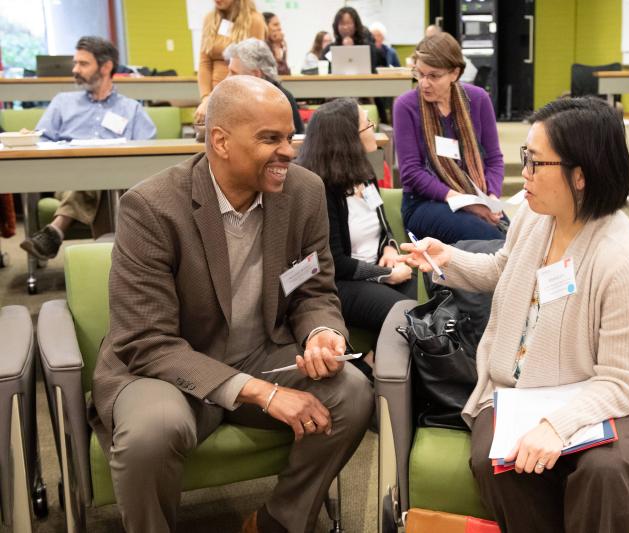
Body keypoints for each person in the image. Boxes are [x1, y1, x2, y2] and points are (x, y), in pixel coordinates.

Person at [88, 76, 372, 533]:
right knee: (151, 433)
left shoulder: (304, 192)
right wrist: (262, 393)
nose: (289, 151)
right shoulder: (151, 207)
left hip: (259, 353)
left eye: (289, 136)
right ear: (220, 141)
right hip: (166, 369)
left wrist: (323, 333)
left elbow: (312, 288)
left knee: (352, 393)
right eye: (270, 139)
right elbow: (148, 341)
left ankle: (279, 521)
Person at [399, 97, 629, 533]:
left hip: (599, 395)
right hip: (518, 391)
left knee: (603, 472)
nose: (523, 174)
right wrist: (447, 258)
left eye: (535, 163)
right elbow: (502, 269)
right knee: (497, 461)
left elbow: (623, 381)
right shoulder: (535, 215)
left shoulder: (621, 258)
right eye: (524, 158)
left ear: (581, 175)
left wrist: (557, 425)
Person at [295, 99, 416, 377]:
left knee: (426, 303)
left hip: (374, 269)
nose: (374, 131)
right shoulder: (321, 189)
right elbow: (334, 262)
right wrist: (385, 274)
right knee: (406, 312)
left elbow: (383, 224)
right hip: (340, 282)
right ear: (349, 138)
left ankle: (380, 367)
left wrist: (389, 246)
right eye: (367, 126)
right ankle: (369, 370)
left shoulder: (364, 173)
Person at [20, 36, 156, 261]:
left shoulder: (130, 109)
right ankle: (112, 263)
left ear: (106, 67)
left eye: (83, 64)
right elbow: (41, 141)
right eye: (75, 63)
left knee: (102, 172)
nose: (75, 69)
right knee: (92, 175)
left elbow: (147, 148)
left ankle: (57, 229)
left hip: (115, 180)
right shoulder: (62, 102)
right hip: (66, 179)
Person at [393, 33, 505, 243]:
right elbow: (411, 172)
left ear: (455, 73)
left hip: (475, 195)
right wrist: (465, 203)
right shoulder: (406, 106)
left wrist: (491, 198)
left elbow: (494, 159)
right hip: (423, 204)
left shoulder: (478, 99)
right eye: (420, 74)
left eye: (433, 76)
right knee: (490, 239)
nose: (424, 83)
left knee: (515, 238)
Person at [195, 0, 266, 123]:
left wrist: (214, 98)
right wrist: (206, 98)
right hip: (213, 97)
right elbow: (204, 63)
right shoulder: (210, 19)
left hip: (241, 97)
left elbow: (252, 67)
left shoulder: (254, 20)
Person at [223, 38, 305, 133]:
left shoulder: (282, 101)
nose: (227, 78)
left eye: (233, 73)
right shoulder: (236, 99)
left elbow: (294, 142)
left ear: (256, 74)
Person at [322, 7, 382, 71]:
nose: (345, 27)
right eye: (342, 24)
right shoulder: (329, 49)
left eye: (349, 23)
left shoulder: (369, 48)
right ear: (336, 26)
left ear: (356, 25)